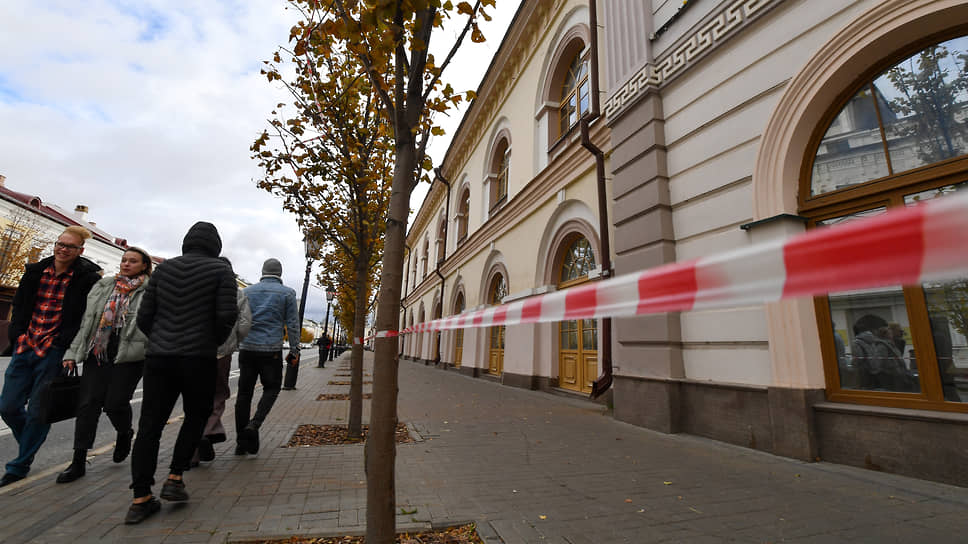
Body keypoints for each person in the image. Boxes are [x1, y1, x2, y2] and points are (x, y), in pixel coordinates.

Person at [124, 222, 238, 524]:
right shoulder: (221, 272)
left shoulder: (164, 270)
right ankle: (175, 476)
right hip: (198, 358)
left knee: (150, 423)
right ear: (216, 246)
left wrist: (161, 338)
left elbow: (145, 316)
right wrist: (209, 340)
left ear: (187, 243)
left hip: (159, 357)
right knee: (196, 416)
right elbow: (227, 314)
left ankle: (140, 498)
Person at [0, 226, 102, 487]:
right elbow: (20, 305)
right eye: (60, 244)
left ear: (80, 250)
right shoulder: (35, 271)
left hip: (53, 352)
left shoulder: (86, 278)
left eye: (69, 246)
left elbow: (84, 317)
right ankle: (29, 443)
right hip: (25, 346)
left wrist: (64, 344)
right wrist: (18, 334)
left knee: (37, 411)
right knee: (8, 406)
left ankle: (19, 465)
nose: (62, 249)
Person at [56, 247, 153, 484]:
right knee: (87, 405)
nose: (126, 264)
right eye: (123, 260)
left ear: (144, 266)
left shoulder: (151, 290)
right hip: (97, 352)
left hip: (130, 356)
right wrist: (72, 352)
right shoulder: (103, 286)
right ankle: (78, 461)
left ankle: (124, 432)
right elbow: (87, 323)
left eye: (132, 261)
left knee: (115, 403)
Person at [235, 258, 300, 456]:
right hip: (270, 349)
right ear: (280, 273)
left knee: (244, 393)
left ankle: (241, 441)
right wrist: (295, 349)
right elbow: (292, 323)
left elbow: (239, 319)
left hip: (247, 348)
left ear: (262, 271)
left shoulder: (246, 292)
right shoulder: (288, 293)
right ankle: (254, 425)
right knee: (271, 388)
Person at [192, 283, 252, 465]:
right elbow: (244, 324)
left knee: (194, 398)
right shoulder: (237, 293)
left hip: (194, 349)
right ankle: (207, 431)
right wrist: (233, 341)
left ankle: (192, 452)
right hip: (221, 351)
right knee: (217, 395)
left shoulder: (197, 287)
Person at [850, 314, 914, 392]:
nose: (892, 334)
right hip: (891, 375)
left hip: (890, 374)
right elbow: (878, 361)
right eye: (890, 332)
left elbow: (860, 360)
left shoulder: (885, 343)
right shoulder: (881, 344)